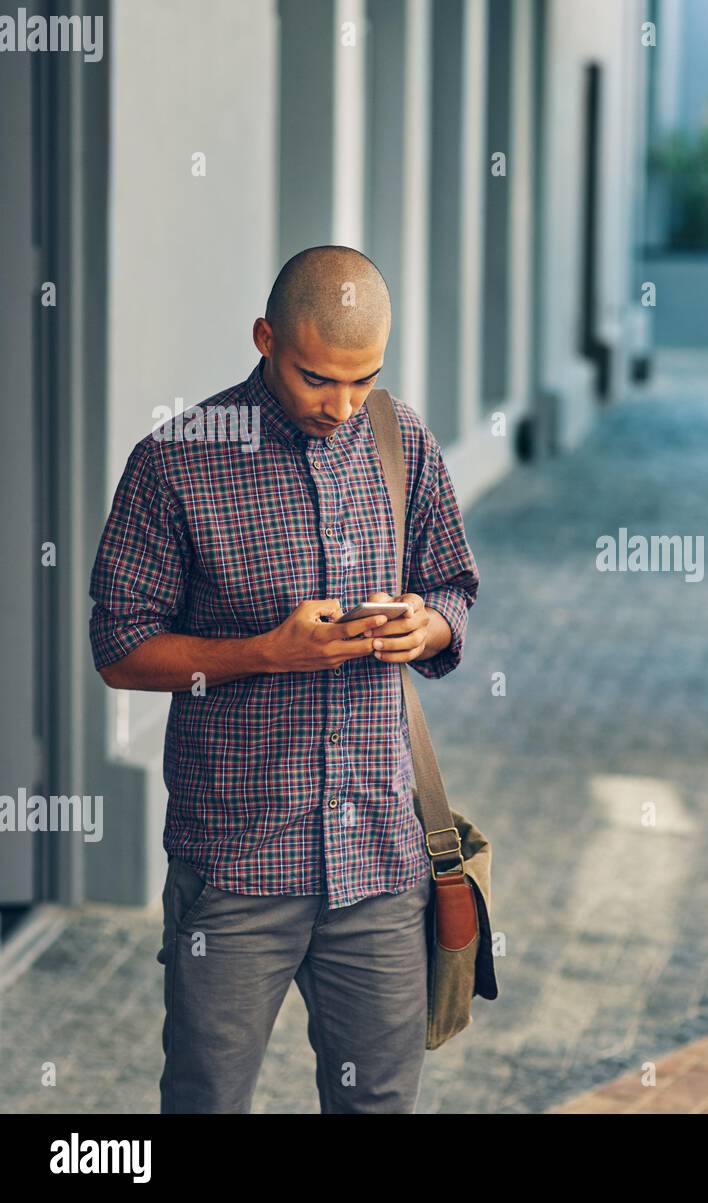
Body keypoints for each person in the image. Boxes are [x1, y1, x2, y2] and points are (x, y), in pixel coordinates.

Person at [89, 246, 480, 1113]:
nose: (342, 408)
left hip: (379, 857)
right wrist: (267, 651)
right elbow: (119, 647)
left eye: (362, 380)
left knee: (378, 1103)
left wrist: (427, 624)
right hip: (235, 864)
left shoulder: (399, 437)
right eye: (316, 381)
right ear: (265, 339)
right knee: (206, 1099)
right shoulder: (175, 462)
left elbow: (455, 584)